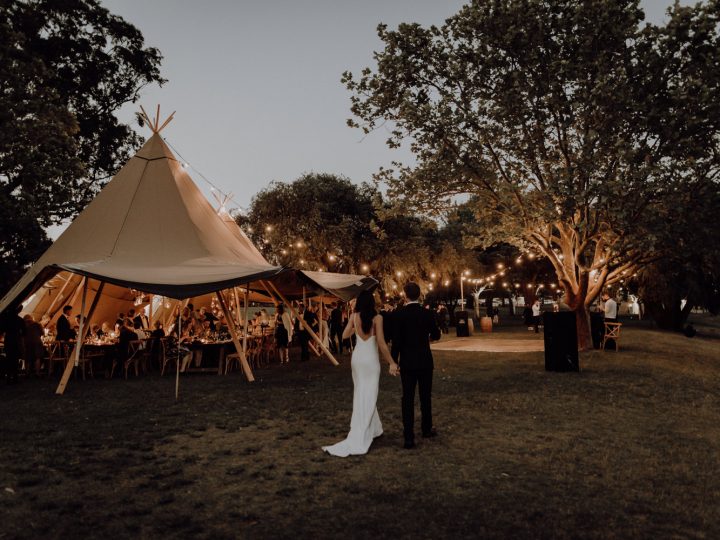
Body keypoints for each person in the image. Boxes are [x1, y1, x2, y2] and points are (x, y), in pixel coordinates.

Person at [322, 290, 398, 457]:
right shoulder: (378, 318)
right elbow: (381, 343)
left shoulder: (354, 316)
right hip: (370, 360)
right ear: (371, 303)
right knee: (369, 393)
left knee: (362, 393)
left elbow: (344, 335)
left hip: (357, 359)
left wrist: (353, 325)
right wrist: (392, 362)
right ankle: (361, 432)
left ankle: (375, 429)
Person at [391, 282, 441, 449]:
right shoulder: (427, 314)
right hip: (425, 361)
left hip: (407, 362)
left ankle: (409, 437)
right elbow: (436, 334)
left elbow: (396, 341)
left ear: (405, 295)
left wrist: (394, 361)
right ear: (419, 295)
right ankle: (426, 429)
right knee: (425, 397)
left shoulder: (399, 314)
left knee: (408, 399)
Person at [1, 305, 25, 383]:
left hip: (8, 341)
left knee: (8, 359)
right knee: (15, 360)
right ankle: (15, 377)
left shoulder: (5, 319)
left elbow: (2, 330)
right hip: (16, 341)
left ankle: (8, 377)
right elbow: (24, 332)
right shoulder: (20, 320)